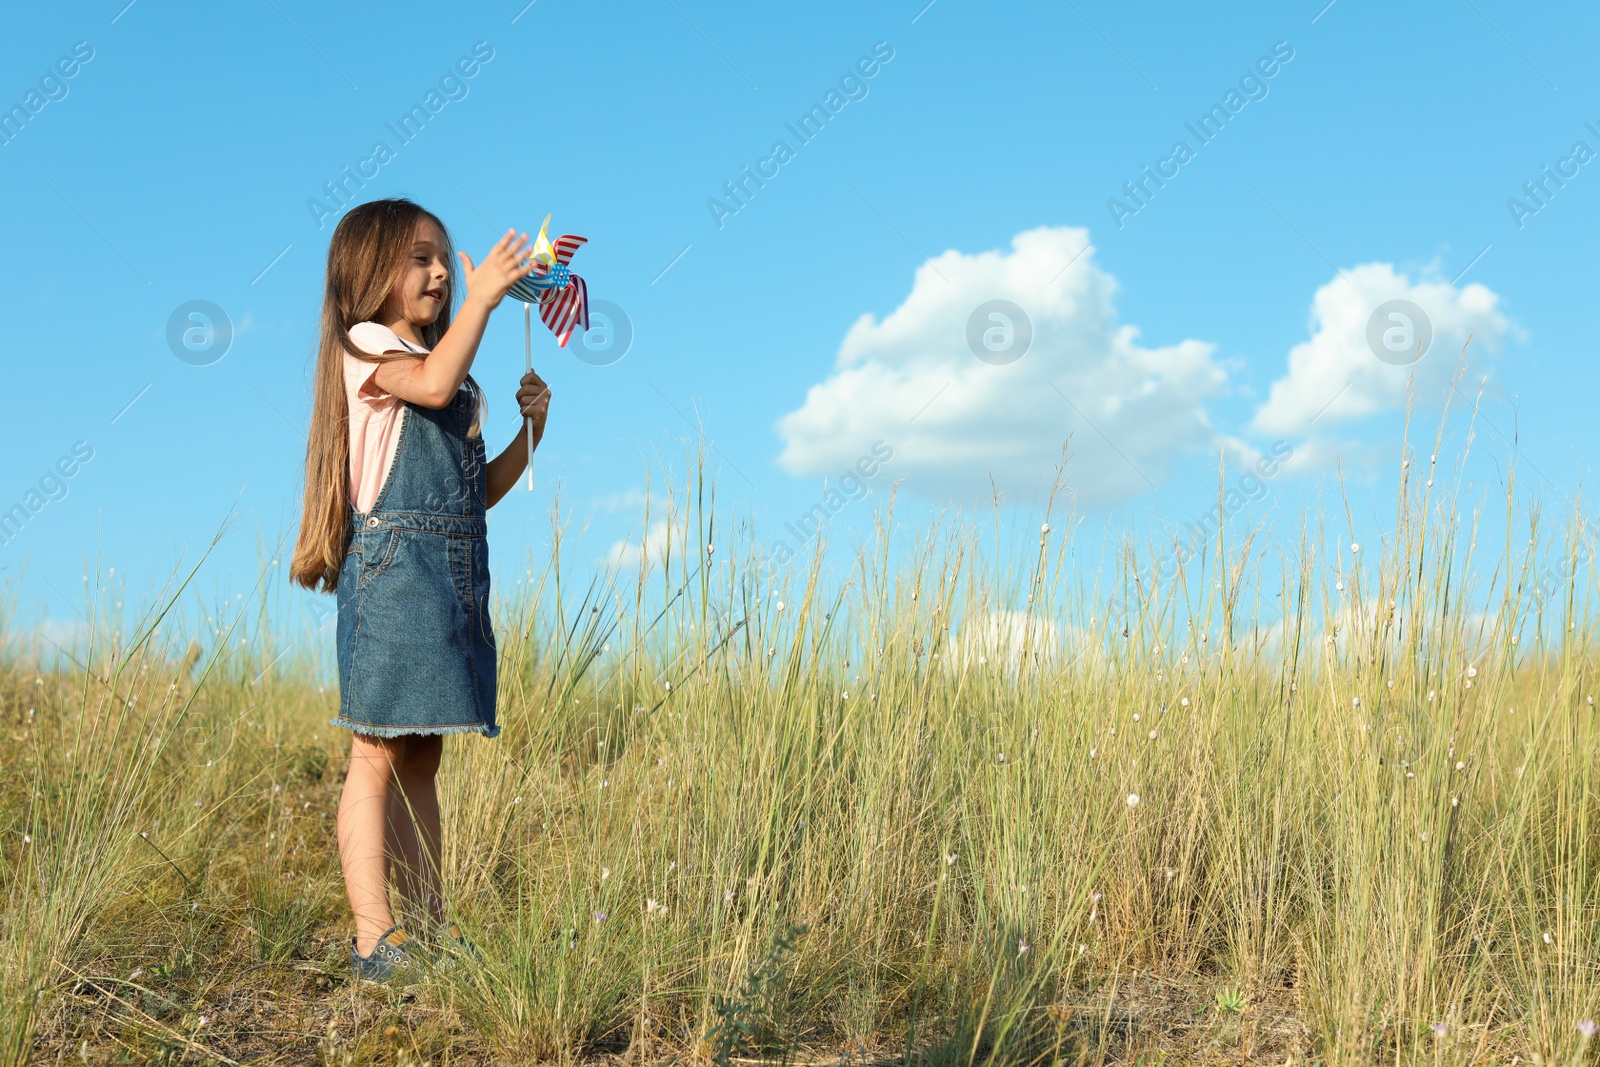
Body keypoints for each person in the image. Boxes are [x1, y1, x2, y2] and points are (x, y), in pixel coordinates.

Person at [289, 197, 551, 981]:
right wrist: (482, 298)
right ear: (370, 272)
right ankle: (375, 937)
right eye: (421, 258)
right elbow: (433, 383)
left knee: (423, 757)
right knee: (373, 750)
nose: (440, 270)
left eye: (446, 256)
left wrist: (532, 431)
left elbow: (479, 494)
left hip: (452, 575)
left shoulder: (458, 384)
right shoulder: (370, 347)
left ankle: (429, 932)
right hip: (396, 575)